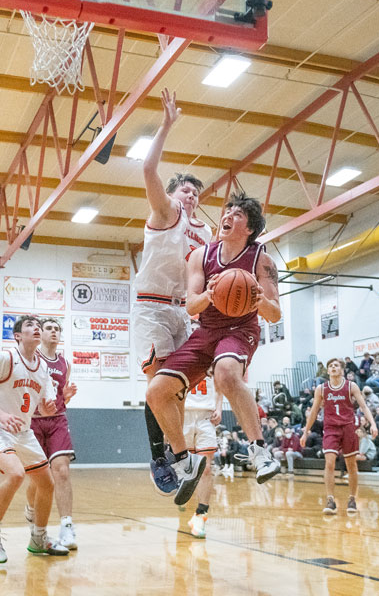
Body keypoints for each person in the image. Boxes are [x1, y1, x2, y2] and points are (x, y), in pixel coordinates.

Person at [147, 192, 281, 506]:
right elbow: (192, 304)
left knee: (226, 374)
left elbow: (276, 313)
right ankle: (183, 460)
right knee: (156, 392)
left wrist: (261, 301)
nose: (229, 214)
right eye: (229, 210)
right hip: (206, 331)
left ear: (249, 229)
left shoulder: (262, 259)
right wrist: (210, 294)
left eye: (238, 213)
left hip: (240, 329)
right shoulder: (200, 256)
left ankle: (260, 450)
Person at [132, 89, 212, 496]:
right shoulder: (166, 213)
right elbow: (148, 169)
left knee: (174, 387)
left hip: (182, 311)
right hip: (151, 307)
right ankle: (161, 456)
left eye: (196, 193)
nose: (191, 196)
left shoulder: (206, 233)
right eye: (184, 190)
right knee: (154, 383)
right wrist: (165, 126)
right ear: (172, 194)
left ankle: (177, 452)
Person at [0, 315, 69, 563]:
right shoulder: (5, 358)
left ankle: (38, 538)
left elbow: (45, 410)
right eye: (30, 326)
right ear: (18, 335)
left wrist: (50, 405)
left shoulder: (43, 368)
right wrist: (1, 414)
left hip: (23, 433)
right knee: (15, 474)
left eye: (38, 326)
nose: (36, 328)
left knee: (46, 484)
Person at [25, 318, 78, 549]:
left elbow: (61, 396)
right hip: (34, 422)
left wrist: (66, 395)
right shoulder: (31, 359)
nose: (54, 332)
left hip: (57, 420)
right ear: (41, 334)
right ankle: (30, 507)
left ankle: (67, 527)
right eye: (49, 328)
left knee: (62, 472)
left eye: (57, 329)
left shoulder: (65, 363)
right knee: (39, 479)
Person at [301, 358, 377, 515]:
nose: (333, 367)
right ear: (327, 371)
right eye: (330, 366)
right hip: (330, 428)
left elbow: (363, 406)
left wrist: (373, 424)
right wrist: (305, 432)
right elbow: (314, 411)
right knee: (329, 462)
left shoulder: (351, 386)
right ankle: (330, 500)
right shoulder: (321, 389)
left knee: (351, 465)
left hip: (349, 427)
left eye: (336, 365)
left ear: (342, 370)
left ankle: (352, 499)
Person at [183, 376, 222, 538]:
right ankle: (187, 500)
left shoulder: (215, 356)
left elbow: (220, 385)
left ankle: (201, 514)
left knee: (205, 468)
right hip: (183, 414)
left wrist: (219, 408)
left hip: (206, 416)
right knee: (187, 467)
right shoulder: (177, 352)